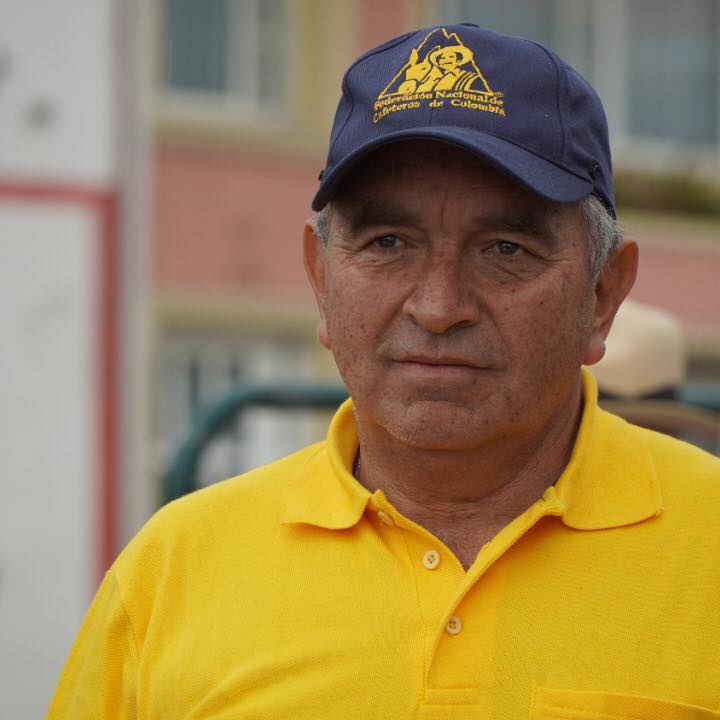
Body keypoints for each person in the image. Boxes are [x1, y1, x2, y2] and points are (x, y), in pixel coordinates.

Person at [48, 23, 720, 719]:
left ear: (603, 294)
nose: (438, 307)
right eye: (388, 242)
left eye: (505, 249)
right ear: (320, 280)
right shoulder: (172, 570)